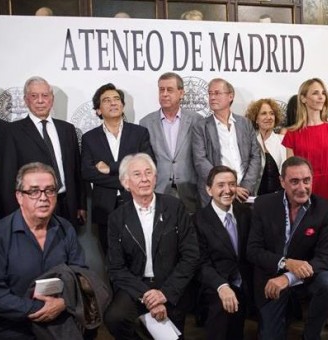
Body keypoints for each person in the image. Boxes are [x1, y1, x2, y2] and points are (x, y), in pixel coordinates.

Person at [0, 162, 87, 339]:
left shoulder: (66, 229)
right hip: (16, 326)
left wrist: (64, 302)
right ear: (19, 196)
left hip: (61, 320)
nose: (44, 198)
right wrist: (38, 308)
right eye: (34, 191)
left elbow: (82, 276)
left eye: (50, 190)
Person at [247, 156, 328, 340]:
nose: (302, 187)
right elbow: (253, 250)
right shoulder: (263, 205)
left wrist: (288, 277)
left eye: (306, 180)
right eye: (294, 181)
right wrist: (285, 263)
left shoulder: (323, 208)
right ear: (282, 182)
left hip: (305, 277)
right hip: (270, 280)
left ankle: (311, 333)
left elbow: (324, 257)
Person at [104, 153, 199, 338]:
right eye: (137, 174)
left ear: (155, 178)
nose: (144, 179)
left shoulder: (175, 207)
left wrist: (165, 294)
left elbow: (191, 256)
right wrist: (148, 297)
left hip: (170, 282)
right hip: (137, 285)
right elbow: (116, 268)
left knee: (171, 336)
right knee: (115, 318)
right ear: (126, 182)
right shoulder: (117, 218)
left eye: (149, 173)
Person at [0, 76, 85, 226]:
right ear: (25, 100)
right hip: (33, 206)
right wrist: (13, 214)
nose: (40, 100)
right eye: (34, 96)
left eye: (45, 95)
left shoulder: (67, 129)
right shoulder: (12, 132)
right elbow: (7, 177)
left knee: (66, 247)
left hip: (67, 204)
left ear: (52, 99)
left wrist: (81, 204)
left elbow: (76, 170)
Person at [82, 83, 154, 253]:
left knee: (141, 254)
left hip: (137, 203)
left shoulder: (139, 133)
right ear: (98, 110)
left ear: (122, 106)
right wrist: (127, 179)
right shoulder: (89, 138)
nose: (113, 103)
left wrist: (111, 168)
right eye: (106, 100)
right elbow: (87, 172)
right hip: (104, 207)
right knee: (111, 258)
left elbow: (148, 164)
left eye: (116, 99)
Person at [194, 166, 253, 340]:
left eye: (232, 184)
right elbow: (200, 264)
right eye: (221, 185)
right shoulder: (198, 220)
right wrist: (222, 286)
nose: (227, 190)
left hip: (246, 282)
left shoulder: (245, 213)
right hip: (215, 285)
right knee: (222, 311)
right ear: (208, 189)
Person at [192, 78, 261, 206]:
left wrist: (245, 187)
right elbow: (200, 161)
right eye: (210, 93)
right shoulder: (200, 127)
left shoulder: (244, 123)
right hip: (215, 195)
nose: (212, 97)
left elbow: (255, 156)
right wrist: (227, 187)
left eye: (217, 93)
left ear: (230, 96)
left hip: (245, 195)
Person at [282, 78, 328, 216]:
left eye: (323, 93)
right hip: (302, 189)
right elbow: (290, 171)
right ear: (304, 98)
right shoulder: (292, 134)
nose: (321, 97)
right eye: (316, 93)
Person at [140, 72, 202, 214]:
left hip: (190, 191)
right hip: (159, 190)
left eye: (170, 90)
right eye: (161, 90)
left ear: (181, 93)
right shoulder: (146, 123)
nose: (165, 94)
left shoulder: (197, 120)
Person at [245, 98, 287, 195]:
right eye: (264, 113)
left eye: (272, 113)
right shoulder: (248, 142)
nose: (269, 117)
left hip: (279, 197)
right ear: (256, 119)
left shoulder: (283, 140)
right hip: (253, 198)